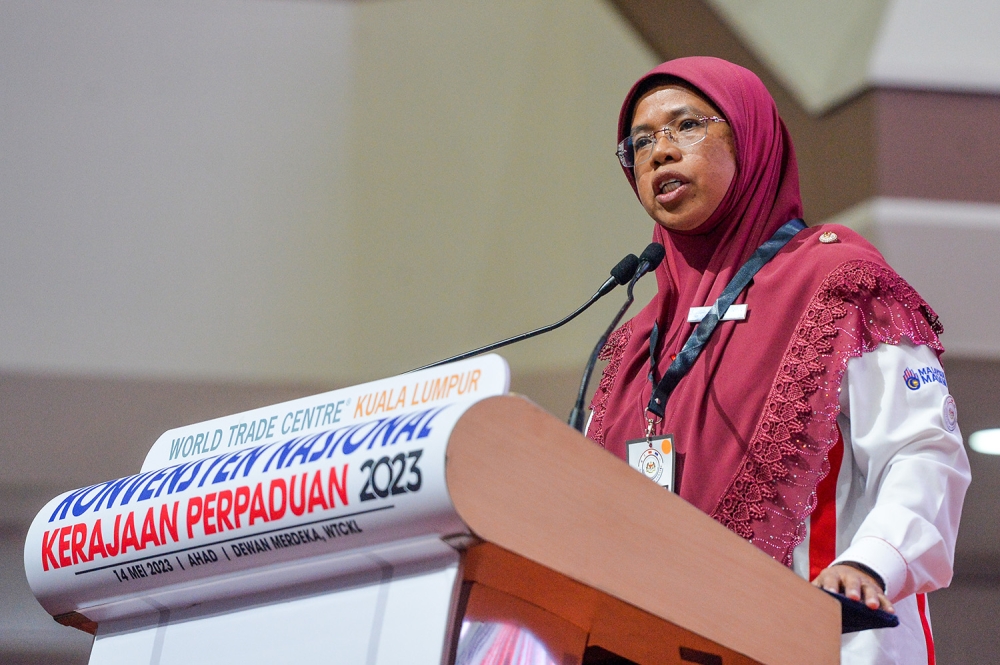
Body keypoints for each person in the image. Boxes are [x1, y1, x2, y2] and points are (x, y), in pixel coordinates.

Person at [586, 57, 970, 664]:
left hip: (823, 640)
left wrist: (872, 561)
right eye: (639, 141)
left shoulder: (838, 282)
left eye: (686, 126)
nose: (659, 152)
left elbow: (923, 451)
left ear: (751, 139)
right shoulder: (632, 341)